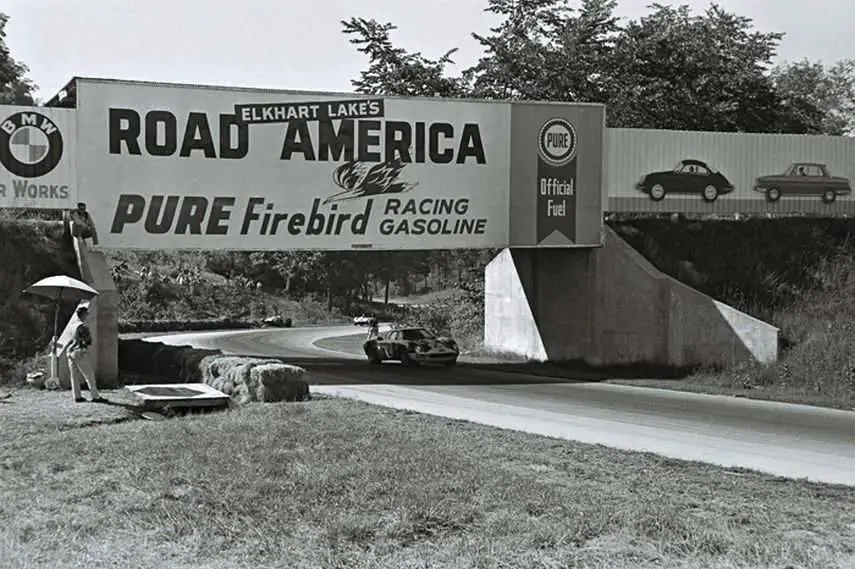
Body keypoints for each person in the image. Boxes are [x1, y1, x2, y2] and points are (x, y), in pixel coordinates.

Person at [67, 306, 105, 404]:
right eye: (86, 314)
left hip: (70, 351)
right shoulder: (82, 327)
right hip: (79, 350)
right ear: (83, 315)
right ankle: (95, 396)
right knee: (89, 375)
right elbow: (88, 341)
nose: (87, 316)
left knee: (74, 375)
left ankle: (77, 396)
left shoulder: (72, 325)